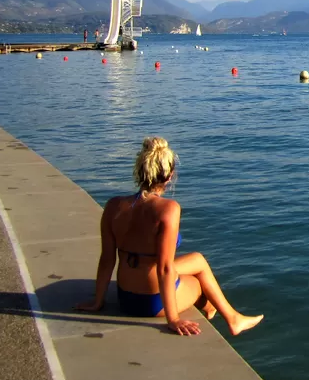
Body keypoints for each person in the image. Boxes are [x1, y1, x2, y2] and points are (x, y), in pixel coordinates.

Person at [76, 137, 263, 336]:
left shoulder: (113, 205)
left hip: (126, 297)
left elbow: (107, 259)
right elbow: (165, 268)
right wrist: (173, 320)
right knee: (200, 285)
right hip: (151, 302)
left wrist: (98, 301)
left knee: (198, 260)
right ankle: (228, 317)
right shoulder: (168, 209)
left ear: (139, 170)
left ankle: (221, 314)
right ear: (170, 176)